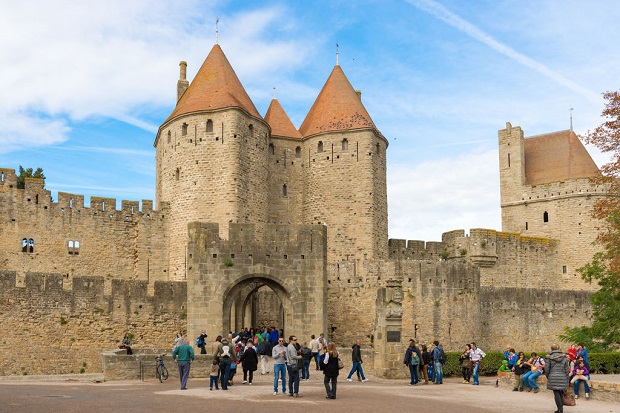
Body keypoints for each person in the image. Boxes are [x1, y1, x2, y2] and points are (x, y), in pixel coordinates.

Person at [544, 344, 570, 413]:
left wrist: (548, 376)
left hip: (553, 376)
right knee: (560, 392)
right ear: (559, 348)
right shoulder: (564, 357)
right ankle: (560, 408)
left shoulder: (549, 357)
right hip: (563, 376)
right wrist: (567, 378)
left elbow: (546, 369)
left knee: (556, 393)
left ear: (551, 349)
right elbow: (567, 369)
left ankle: (560, 409)